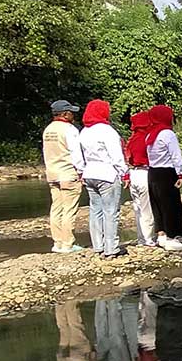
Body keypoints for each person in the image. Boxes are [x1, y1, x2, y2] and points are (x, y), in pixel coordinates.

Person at [79, 100, 128, 258]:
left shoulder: (84, 131)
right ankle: (111, 247)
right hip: (107, 174)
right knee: (111, 211)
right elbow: (116, 156)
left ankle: (97, 245)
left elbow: (77, 155)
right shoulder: (107, 131)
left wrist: (81, 171)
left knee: (95, 211)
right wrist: (124, 173)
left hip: (89, 173)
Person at [42, 100, 85, 254]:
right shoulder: (70, 129)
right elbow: (76, 154)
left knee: (56, 209)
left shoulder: (48, 130)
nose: (73, 115)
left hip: (52, 174)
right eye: (71, 112)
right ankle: (68, 244)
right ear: (65, 114)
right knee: (69, 210)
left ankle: (57, 243)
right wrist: (81, 172)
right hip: (68, 174)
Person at [147, 105, 182, 251]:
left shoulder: (150, 134)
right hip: (166, 172)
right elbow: (175, 155)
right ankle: (171, 237)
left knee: (157, 204)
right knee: (170, 205)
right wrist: (181, 173)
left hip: (153, 172)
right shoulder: (167, 134)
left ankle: (161, 235)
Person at [125, 110, 156, 247]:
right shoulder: (148, 138)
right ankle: (148, 239)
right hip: (145, 173)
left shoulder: (132, 140)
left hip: (133, 174)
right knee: (147, 208)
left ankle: (141, 239)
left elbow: (128, 158)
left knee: (137, 208)